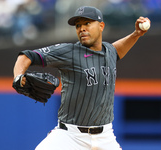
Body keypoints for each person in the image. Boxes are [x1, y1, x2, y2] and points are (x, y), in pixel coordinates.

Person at [13, 6, 150, 150]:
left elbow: (117, 50)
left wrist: (136, 34)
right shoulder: (69, 52)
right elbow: (26, 56)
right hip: (70, 136)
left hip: (106, 137)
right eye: (78, 25)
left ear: (101, 26)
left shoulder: (109, 51)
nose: (82, 28)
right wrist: (18, 76)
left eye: (87, 23)